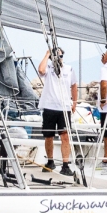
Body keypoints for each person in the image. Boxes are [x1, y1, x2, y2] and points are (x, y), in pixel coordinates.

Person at [37, 46, 76, 175]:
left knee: (65, 136)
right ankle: (50, 161)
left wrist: (74, 102)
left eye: (61, 56)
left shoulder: (69, 69)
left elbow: (74, 85)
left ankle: (65, 165)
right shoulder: (48, 68)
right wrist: (47, 54)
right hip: (49, 106)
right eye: (57, 56)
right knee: (49, 136)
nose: (59, 58)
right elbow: (41, 70)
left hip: (64, 107)